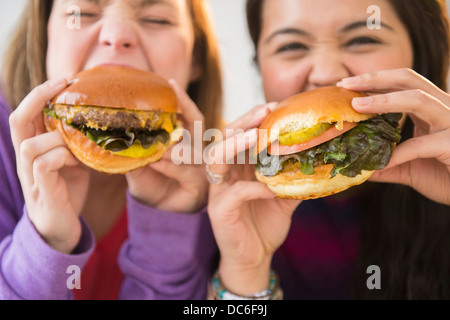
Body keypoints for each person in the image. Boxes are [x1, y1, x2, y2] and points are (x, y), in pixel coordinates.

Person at [207, 0, 450, 299]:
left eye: (363, 39)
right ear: (259, 66)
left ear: (421, 55)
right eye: (291, 46)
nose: (325, 73)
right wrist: (245, 270)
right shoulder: (227, 202)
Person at [0, 0, 222, 300]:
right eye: (83, 13)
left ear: (195, 57)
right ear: (43, 39)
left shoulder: (222, 172)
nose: (117, 35)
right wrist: (45, 240)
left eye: (157, 19)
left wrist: (166, 230)